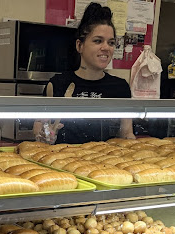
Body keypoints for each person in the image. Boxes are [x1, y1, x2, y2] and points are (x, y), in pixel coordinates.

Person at [34, 2, 134, 144]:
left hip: (105, 162)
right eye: (98, 41)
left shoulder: (120, 87)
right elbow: (40, 125)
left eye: (111, 43)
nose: (106, 47)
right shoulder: (58, 84)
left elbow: (126, 133)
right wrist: (44, 134)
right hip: (64, 162)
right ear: (79, 45)